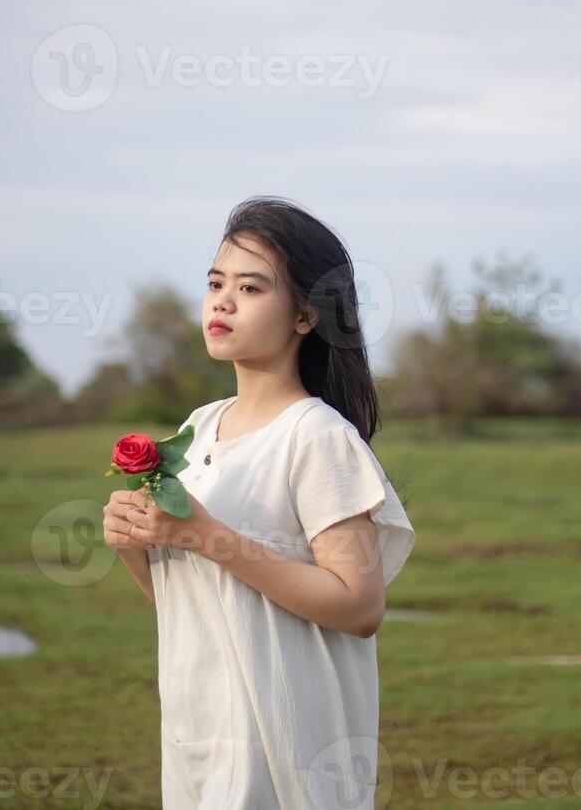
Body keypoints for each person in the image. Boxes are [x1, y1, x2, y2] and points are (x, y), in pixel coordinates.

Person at [103, 195, 416, 809]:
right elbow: (196, 600)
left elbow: (360, 606)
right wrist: (136, 546)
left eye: (250, 287)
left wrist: (202, 534)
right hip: (201, 729)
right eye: (216, 282)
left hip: (286, 741)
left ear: (304, 316)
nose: (222, 300)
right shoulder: (198, 427)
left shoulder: (317, 437)